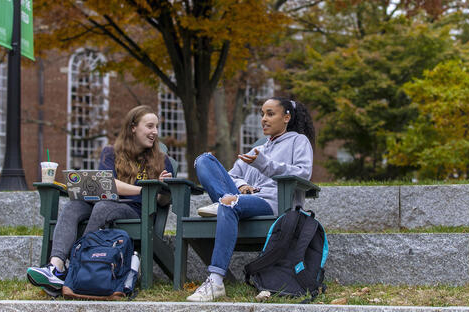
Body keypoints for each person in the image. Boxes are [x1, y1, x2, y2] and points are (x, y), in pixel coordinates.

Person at [27, 105, 174, 294]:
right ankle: (55, 268)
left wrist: (165, 188)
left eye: (156, 127)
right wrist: (142, 189)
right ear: (133, 128)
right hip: (102, 202)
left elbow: (162, 202)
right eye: (149, 126)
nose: (154, 131)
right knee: (73, 206)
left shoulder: (162, 160)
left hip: (136, 211)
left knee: (104, 207)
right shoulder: (110, 153)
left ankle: (77, 272)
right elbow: (109, 184)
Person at [186, 97, 315, 302]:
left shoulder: (298, 141)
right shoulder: (259, 149)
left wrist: (265, 164)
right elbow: (231, 175)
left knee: (229, 203)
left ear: (286, 117)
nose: (264, 119)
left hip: (275, 202)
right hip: (248, 199)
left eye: (270, 114)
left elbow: (303, 173)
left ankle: (215, 281)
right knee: (204, 161)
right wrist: (242, 187)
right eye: (262, 114)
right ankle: (227, 201)